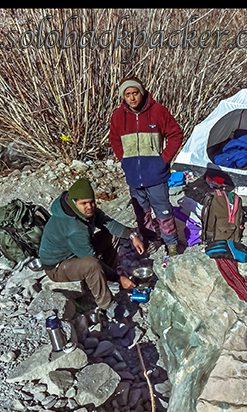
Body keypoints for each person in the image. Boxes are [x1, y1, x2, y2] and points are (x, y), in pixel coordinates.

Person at [39, 178, 145, 322]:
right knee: (92, 266)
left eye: (91, 202)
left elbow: (107, 223)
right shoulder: (74, 228)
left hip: (75, 252)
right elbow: (92, 259)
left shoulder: (84, 211)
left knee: (111, 237)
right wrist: (119, 278)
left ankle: (103, 280)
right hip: (57, 267)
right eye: (84, 203)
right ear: (74, 202)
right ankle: (107, 306)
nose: (89, 206)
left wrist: (132, 235)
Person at [109, 76, 184, 256]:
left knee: (163, 210)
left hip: (156, 174)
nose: (132, 98)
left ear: (141, 93)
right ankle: (150, 240)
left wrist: (164, 159)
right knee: (142, 213)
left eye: (135, 93)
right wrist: (124, 159)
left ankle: (171, 244)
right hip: (134, 176)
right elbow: (114, 139)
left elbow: (175, 134)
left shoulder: (158, 111)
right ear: (123, 97)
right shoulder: (118, 116)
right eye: (127, 94)